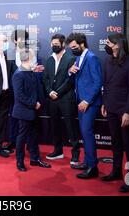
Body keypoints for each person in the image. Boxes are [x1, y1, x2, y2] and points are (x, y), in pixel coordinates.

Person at [101, 33, 129, 193]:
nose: (107, 45)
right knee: (115, 142)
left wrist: (128, 111)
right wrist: (104, 103)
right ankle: (116, 172)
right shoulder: (108, 61)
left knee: (128, 144)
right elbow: (106, 85)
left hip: (124, 110)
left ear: (118, 44)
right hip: (110, 108)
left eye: (109, 42)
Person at [67, 32, 102, 179]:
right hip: (80, 102)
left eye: (74, 47)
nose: (72, 49)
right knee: (84, 132)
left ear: (82, 44)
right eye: (71, 48)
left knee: (87, 132)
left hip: (89, 103)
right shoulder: (78, 57)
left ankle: (93, 167)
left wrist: (87, 100)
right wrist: (70, 71)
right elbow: (79, 78)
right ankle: (87, 162)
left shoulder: (92, 58)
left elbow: (97, 82)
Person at [43, 34, 80, 165]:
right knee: (55, 126)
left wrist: (57, 92)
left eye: (56, 44)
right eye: (52, 43)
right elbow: (46, 79)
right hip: (52, 99)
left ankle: (75, 154)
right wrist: (50, 92)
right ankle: (58, 151)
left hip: (66, 98)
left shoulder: (71, 59)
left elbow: (70, 80)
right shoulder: (48, 60)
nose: (54, 46)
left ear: (63, 44)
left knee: (71, 127)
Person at [12, 48, 51, 171]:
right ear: (28, 58)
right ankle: (20, 161)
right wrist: (34, 104)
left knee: (34, 136)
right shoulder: (18, 74)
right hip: (24, 111)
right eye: (33, 57)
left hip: (33, 111)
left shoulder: (30, 71)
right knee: (22, 137)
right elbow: (19, 95)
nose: (35, 59)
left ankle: (35, 159)